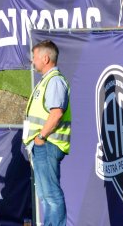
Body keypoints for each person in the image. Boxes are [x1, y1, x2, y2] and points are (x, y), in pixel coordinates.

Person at [25, 40, 71, 226]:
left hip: (48, 144)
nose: (32, 61)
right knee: (45, 196)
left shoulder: (55, 81)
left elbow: (56, 113)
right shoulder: (47, 81)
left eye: (34, 57)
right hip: (43, 145)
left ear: (45, 58)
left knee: (51, 195)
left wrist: (41, 137)